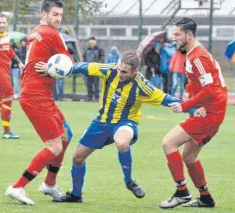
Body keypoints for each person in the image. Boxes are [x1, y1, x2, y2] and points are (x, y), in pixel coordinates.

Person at [55, 51, 205, 203]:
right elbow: (86, 67)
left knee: (122, 142)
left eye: (124, 72)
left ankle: (129, 181)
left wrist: (192, 109)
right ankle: (75, 195)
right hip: (101, 122)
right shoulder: (110, 70)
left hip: (125, 122)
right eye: (119, 69)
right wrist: (65, 69)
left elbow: (166, 98)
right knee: (77, 157)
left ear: (135, 71)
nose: (119, 73)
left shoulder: (142, 86)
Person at [5, 0, 74, 206]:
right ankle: (17, 187)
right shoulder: (51, 34)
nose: (58, 19)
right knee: (54, 146)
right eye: (54, 14)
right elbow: (69, 62)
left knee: (66, 136)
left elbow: (43, 62)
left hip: (38, 94)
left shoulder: (34, 32)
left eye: (60, 15)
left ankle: (49, 184)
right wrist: (58, 69)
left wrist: (52, 70)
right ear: (43, 14)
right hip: (36, 97)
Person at [159, 18, 227, 209]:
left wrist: (186, 105)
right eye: (174, 34)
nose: (175, 38)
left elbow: (211, 89)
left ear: (189, 35)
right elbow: (202, 84)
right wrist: (192, 99)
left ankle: (182, 193)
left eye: (178, 34)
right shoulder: (194, 54)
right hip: (209, 111)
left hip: (210, 114)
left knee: (168, 143)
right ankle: (205, 198)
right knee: (189, 157)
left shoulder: (198, 57)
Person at [83, 37, 104, 101]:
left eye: (93, 42)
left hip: (96, 69)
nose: (92, 44)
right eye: (91, 42)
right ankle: (89, 97)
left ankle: (97, 98)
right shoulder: (86, 49)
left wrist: (97, 64)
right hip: (88, 69)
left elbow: (102, 58)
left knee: (96, 84)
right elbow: (84, 58)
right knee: (89, 84)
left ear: (95, 42)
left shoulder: (99, 50)